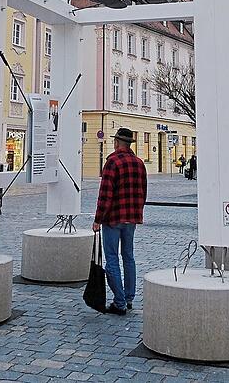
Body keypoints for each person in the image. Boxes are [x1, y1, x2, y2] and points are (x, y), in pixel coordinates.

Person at [92, 127, 147, 316]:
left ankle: (119, 302)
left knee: (112, 258)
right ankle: (129, 297)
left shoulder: (112, 162)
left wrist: (98, 219)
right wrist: (137, 213)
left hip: (113, 218)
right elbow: (143, 192)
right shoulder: (140, 163)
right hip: (131, 218)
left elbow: (105, 194)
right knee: (128, 256)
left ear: (116, 143)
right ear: (129, 143)